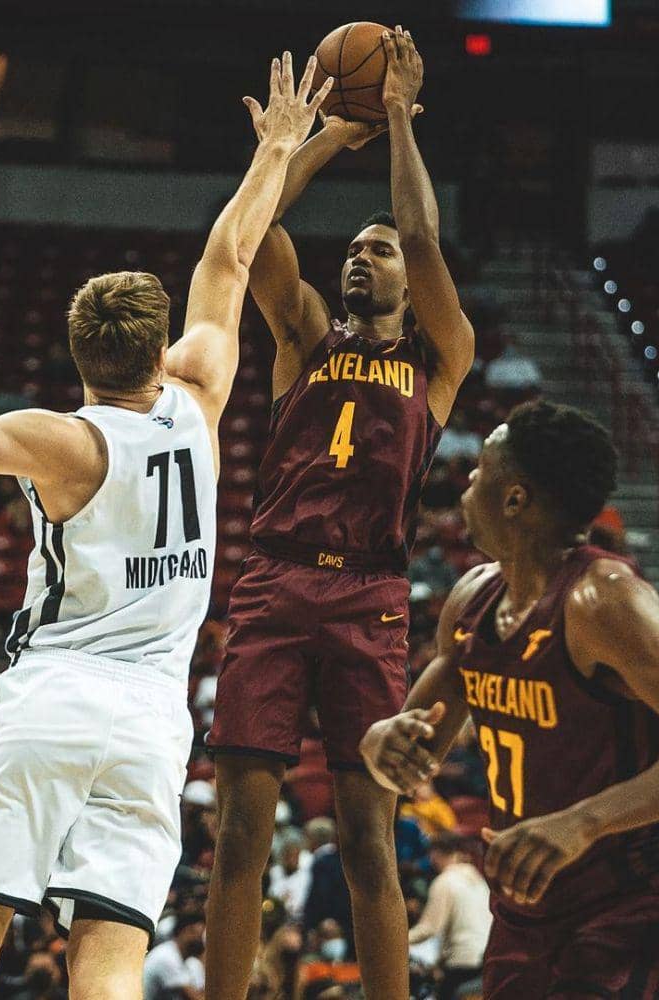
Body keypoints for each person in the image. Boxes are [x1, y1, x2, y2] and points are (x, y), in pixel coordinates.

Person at [0, 53, 332, 1000]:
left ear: (78, 351)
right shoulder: (202, 389)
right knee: (109, 958)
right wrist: (275, 148)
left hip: (53, 697)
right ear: (159, 345)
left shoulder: (60, 442)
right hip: (152, 722)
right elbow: (229, 254)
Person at [205, 27, 474, 1000]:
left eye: (377, 250)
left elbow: (425, 233)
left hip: (371, 596)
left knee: (368, 840)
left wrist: (397, 117)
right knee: (239, 832)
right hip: (275, 578)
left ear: (405, 279)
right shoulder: (307, 332)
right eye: (353, 249)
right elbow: (250, 231)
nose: (362, 257)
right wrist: (317, 140)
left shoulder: (438, 357)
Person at [360, 400, 659, 998]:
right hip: (527, 908)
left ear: (516, 499)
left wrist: (583, 822)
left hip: (635, 899)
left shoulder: (603, 600)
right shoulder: (473, 597)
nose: (467, 486)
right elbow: (412, 748)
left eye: (479, 474)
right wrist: (378, 741)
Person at [408, 833, 491, 1000]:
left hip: (463, 963)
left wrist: (395, 941)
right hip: (485, 958)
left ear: (436, 854)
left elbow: (429, 928)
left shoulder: (445, 881)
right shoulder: (478, 879)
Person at [142, 914, 205, 1000]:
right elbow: (194, 998)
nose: (202, 942)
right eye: (199, 936)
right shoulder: (167, 956)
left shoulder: (188, 961)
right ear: (186, 931)